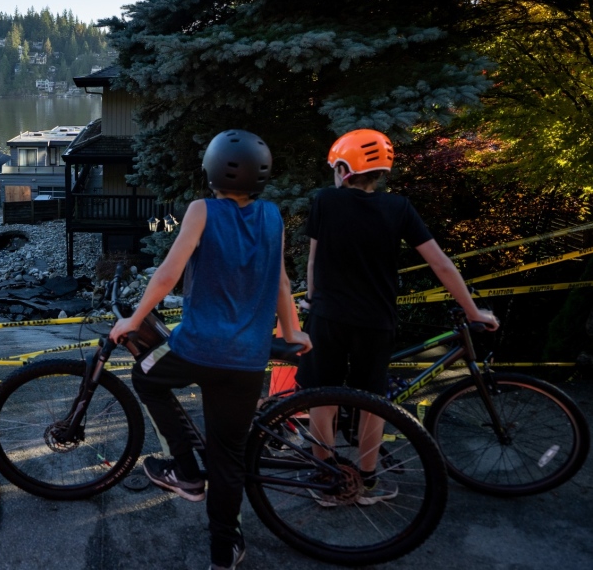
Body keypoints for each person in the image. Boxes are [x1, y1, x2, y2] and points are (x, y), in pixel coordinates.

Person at [110, 129, 311, 570]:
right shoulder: (273, 216)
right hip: (247, 360)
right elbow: (280, 282)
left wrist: (134, 318)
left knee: (145, 374)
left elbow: (167, 273)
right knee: (229, 457)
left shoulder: (202, 210)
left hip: (196, 348)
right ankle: (224, 551)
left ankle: (184, 471)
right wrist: (293, 331)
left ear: (211, 171)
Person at [296, 128, 499, 506]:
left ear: (344, 168)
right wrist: (473, 311)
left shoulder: (325, 201)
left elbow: (312, 260)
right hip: (376, 320)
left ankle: (326, 479)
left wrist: (311, 298)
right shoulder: (399, 208)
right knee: (373, 401)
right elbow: (439, 263)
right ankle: (369, 481)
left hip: (329, 317)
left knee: (321, 397)